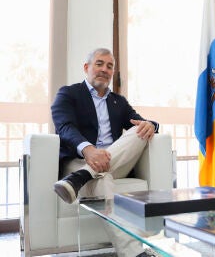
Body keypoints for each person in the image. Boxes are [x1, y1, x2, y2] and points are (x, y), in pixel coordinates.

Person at [51, 48, 158, 257]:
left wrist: (151, 125)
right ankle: (136, 254)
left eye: (110, 66)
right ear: (86, 67)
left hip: (112, 161)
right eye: (99, 64)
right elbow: (64, 127)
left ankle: (81, 177)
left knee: (140, 129)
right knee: (102, 180)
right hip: (78, 159)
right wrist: (89, 149)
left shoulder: (119, 101)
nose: (104, 69)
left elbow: (140, 121)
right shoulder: (68, 93)